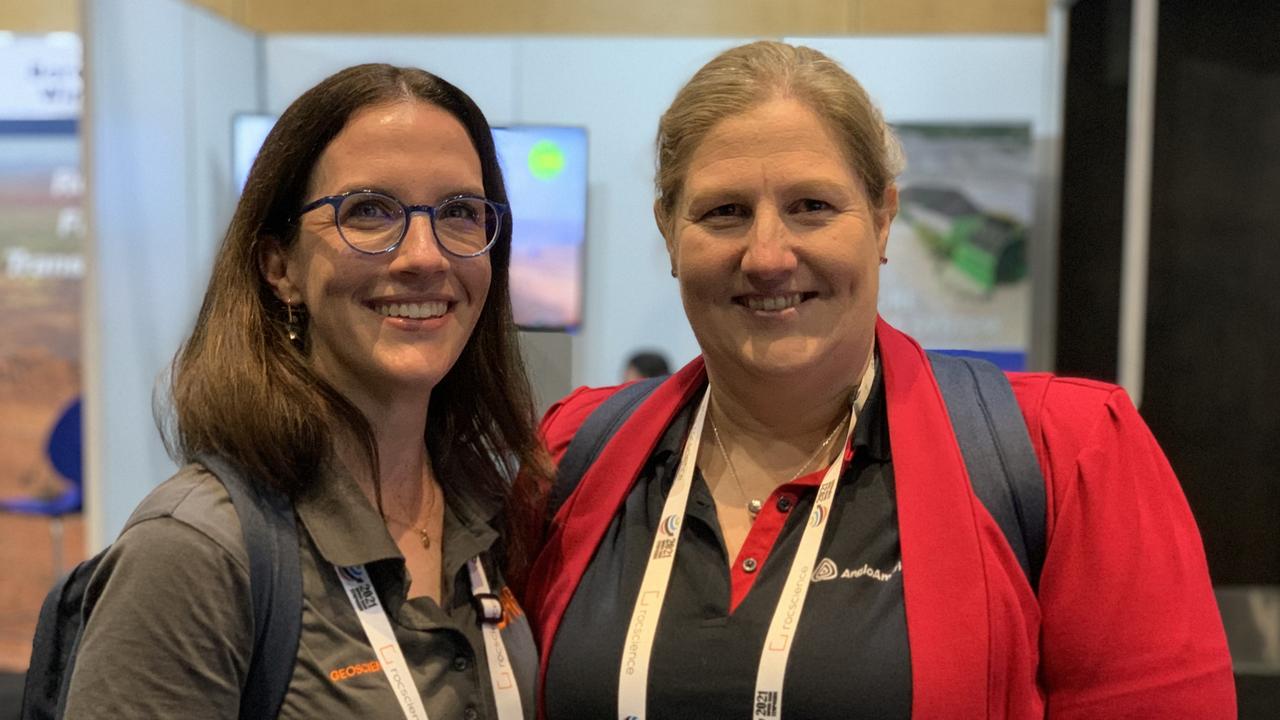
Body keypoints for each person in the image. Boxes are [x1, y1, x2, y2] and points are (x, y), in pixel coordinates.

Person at [518, 42, 1235, 719]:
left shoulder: (1069, 453)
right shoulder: (576, 453)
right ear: (670, 232)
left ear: (884, 219)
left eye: (813, 207)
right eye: (724, 212)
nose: (768, 255)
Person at [63, 64, 543, 718]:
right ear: (279, 267)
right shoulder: (197, 552)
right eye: (370, 211)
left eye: (460, 212)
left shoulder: (495, 513)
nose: (426, 256)